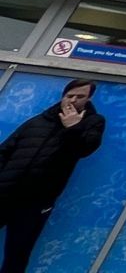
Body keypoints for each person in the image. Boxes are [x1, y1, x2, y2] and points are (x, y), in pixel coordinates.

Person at [0, 78, 105, 273]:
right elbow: (4, 150)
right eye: (69, 95)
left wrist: (72, 128)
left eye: (79, 96)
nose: (72, 100)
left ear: (89, 99)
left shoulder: (93, 122)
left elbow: (85, 149)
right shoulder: (38, 121)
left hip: (35, 203)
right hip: (4, 192)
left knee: (17, 254)